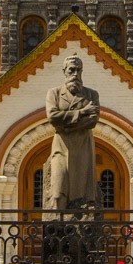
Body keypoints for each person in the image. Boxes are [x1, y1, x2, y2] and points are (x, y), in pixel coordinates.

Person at [43, 55, 101, 210]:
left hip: (83, 147)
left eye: (78, 70)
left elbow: (93, 121)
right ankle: (57, 223)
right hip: (61, 146)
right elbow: (53, 117)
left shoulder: (91, 94)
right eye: (72, 70)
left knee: (82, 193)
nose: (75, 74)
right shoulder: (54, 93)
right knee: (57, 191)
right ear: (65, 71)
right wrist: (82, 112)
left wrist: (64, 126)